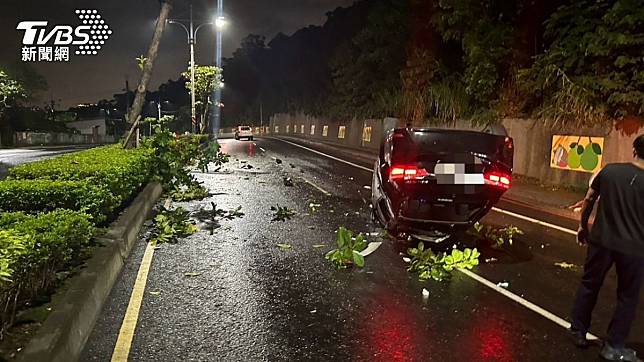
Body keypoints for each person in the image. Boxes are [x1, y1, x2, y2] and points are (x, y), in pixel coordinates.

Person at [570, 134, 644, 361]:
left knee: (590, 284)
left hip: (602, 241)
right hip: (634, 248)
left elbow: (589, 199)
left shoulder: (609, 171)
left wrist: (583, 227)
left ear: (634, 150)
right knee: (627, 297)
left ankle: (578, 330)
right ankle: (613, 345)